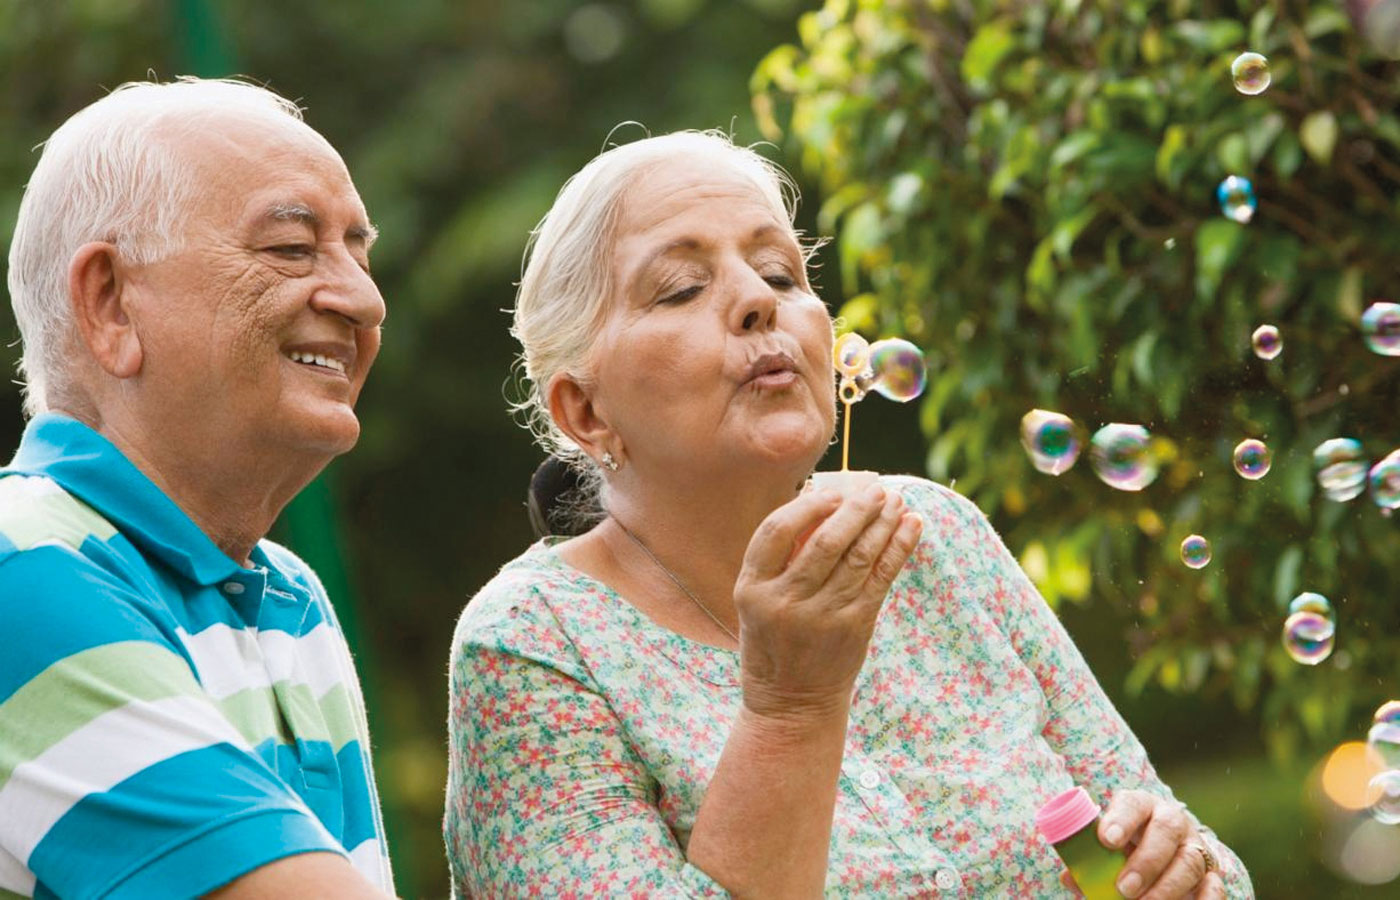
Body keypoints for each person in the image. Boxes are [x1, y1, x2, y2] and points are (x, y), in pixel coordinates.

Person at [444, 129, 1254, 898]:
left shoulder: (933, 535)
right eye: (681, 288)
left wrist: (1183, 866)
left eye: (782, 274)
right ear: (586, 412)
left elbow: (1185, 844)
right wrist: (789, 703)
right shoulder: (534, 643)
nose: (760, 301)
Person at [0, 78, 395, 898]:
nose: (363, 298)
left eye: (360, 250)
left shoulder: (289, 595)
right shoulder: (20, 563)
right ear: (109, 302)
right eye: (292, 248)